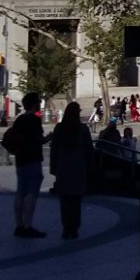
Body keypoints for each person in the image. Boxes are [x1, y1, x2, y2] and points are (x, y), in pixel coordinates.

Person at [49, 101, 95, 240]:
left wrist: (53, 167)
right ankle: (74, 227)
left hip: (63, 167)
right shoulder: (83, 130)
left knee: (65, 200)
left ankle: (66, 227)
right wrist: (90, 167)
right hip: (78, 167)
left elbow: (54, 149)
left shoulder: (59, 128)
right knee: (76, 200)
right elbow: (89, 150)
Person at [9, 91, 51, 239]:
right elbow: (39, 140)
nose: (40, 104)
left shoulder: (20, 119)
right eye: (38, 102)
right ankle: (28, 225)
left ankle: (19, 224)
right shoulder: (34, 120)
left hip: (20, 159)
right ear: (35, 104)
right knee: (31, 193)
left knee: (20, 192)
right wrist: (49, 138)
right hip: (33, 159)